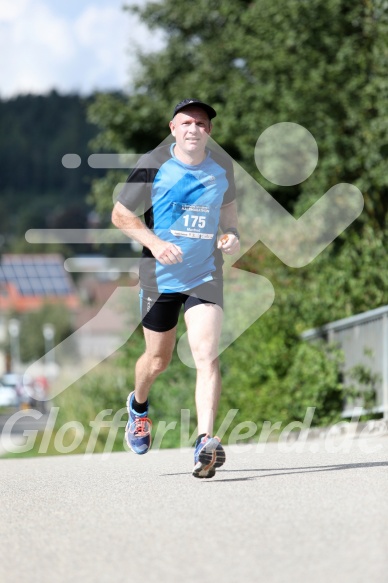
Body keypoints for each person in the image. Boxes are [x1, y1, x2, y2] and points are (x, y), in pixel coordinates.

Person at [112, 98, 240, 478]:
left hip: (204, 273)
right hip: (160, 277)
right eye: (186, 122)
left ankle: (205, 441)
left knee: (207, 354)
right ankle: (138, 406)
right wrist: (154, 243)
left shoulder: (223, 168)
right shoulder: (153, 165)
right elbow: (121, 214)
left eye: (201, 124)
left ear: (209, 132)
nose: (193, 129)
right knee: (158, 361)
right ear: (173, 128)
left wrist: (231, 236)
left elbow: (230, 216)